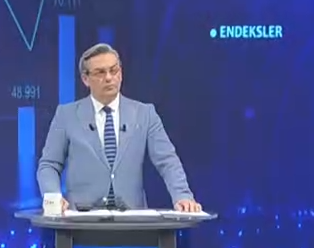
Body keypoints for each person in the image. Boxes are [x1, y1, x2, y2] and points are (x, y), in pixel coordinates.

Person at [37, 43, 202, 212]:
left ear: (121, 73)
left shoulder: (145, 114)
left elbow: (167, 160)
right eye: (100, 72)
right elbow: (49, 164)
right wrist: (53, 197)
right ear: (85, 79)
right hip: (81, 218)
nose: (109, 78)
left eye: (114, 70)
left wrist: (182, 196)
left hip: (132, 218)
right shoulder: (66, 115)